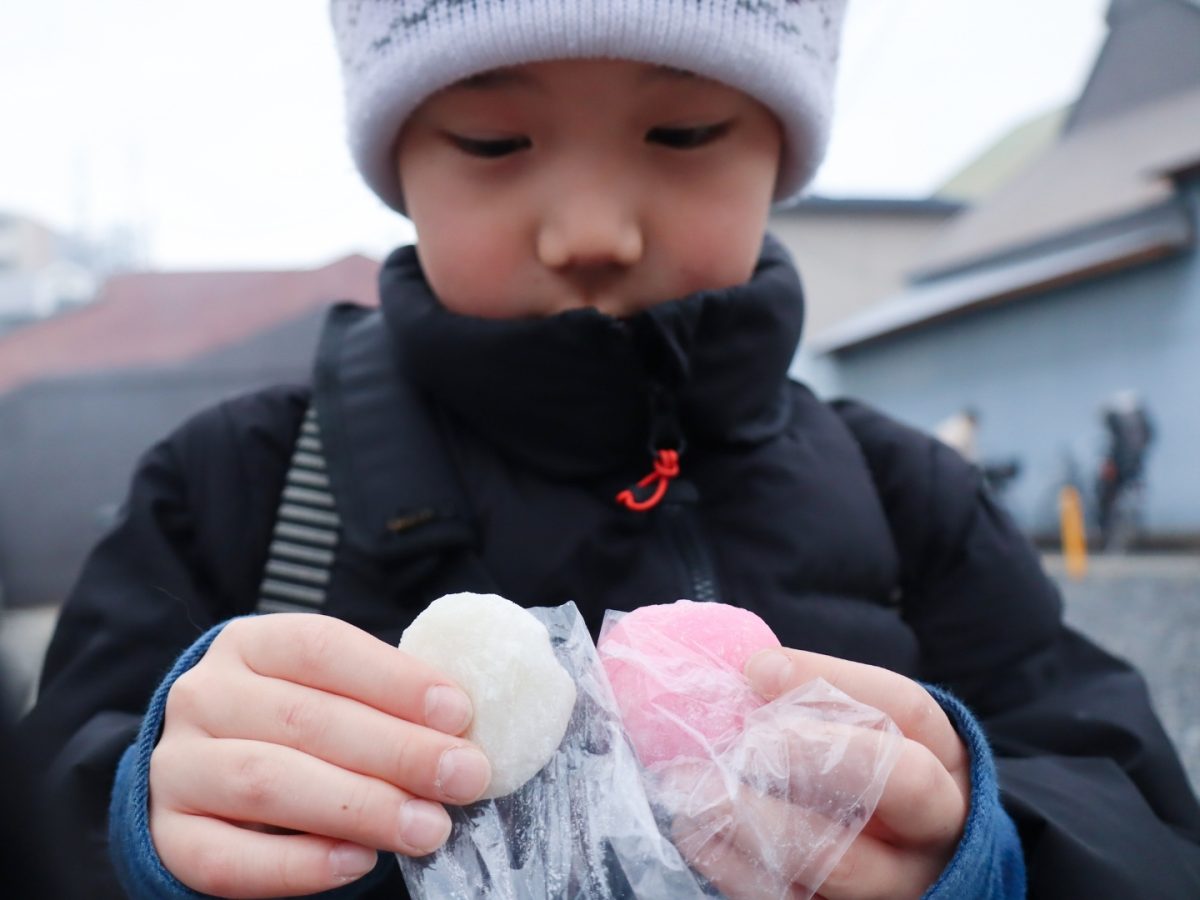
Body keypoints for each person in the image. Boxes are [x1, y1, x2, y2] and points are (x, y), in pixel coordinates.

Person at [19, 2, 1200, 898]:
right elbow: (37, 815)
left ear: (783, 151)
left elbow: (1141, 814)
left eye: (683, 130)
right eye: (492, 139)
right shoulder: (241, 489)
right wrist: (141, 815)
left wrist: (981, 846)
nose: (593, 230)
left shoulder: (908, 499)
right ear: (398, 163)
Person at [1096, 389, 1155, 549]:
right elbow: (1149, 439)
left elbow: (1114, 449)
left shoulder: (1116, 421)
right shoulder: (1139, 422)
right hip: (1133, 467)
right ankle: (1111, 532)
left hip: (1122, 468)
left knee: (1107, 496)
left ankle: (1106, 532)